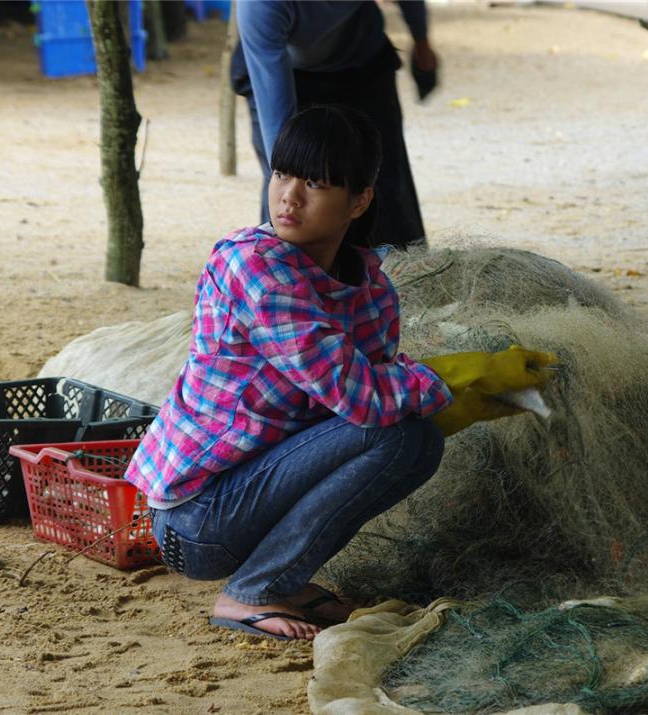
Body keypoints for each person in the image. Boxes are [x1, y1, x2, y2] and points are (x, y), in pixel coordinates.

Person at [124, 106, 555, 641]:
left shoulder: (372, 289)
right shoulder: (254, 267)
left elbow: (374, 405)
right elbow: (365, 402)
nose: (288, 196)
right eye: (282, 173)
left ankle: (280, 578)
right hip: (197, 518)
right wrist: (461, 375)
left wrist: (454, 404)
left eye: (316, 183)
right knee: (401, 434)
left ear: (359, 200)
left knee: (416, 441)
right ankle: (250, 592)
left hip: (256, 487)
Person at [232, 0, 437, 250]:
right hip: (283, 70)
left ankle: (398, 280)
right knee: (287, 182)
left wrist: (422, 42)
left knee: (385, 184)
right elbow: (280, 136)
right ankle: (282, 269)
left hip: (363, 60)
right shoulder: (261, 6)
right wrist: (291, 176)